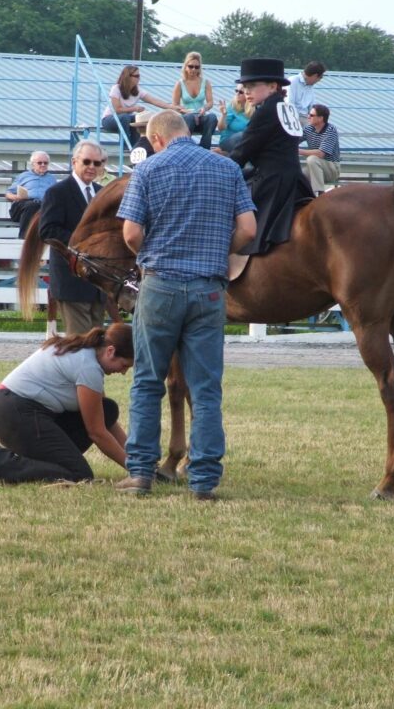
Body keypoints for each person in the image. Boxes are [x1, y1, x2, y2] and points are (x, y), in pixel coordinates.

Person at [115, 110, 256, 500]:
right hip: (209, 289)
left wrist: (152, 254)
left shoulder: (148, 170)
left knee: (147, 382)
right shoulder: (225, 169)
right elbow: (248, 230)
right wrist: (216, 252)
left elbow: (130, 234)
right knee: (206, 387)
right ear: (187, 132)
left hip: (160, 285)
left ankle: (140, 472)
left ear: (156, 138)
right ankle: (204, 479)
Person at [0, 324, 133, 484]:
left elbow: (103, 418)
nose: (124, 372)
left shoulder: (85, 353)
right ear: (110, 351)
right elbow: (97, 432)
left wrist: (136, 456)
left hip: (12, 408)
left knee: (108, 409)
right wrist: (135, 468)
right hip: (13, 412)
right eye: (124, 365)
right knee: (78, 473)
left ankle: (19, 461)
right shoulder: (88, 367)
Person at [229, 58, 313, 256]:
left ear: (273, 86)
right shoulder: (287, 107)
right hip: (294, 179)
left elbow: (242, 152)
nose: (246, 91)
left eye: (251, 86)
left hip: (271, 181)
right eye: (244, 86)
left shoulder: (266, 111)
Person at [39, 140, 108, 335]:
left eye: (97, 163)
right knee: (80, 343)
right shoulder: (57, 192)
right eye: (87, 162)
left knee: (96, 342)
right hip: (71, 280)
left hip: (98, 283)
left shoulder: (102, 193)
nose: (92, 167)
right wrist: (86, 245)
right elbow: (48, 231)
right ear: (74, 162)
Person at [100, 65, 179, 147]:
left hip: (125, 120)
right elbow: (117, 110)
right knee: (125, 117)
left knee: (138, 119)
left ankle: (137, 147)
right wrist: (135, 108)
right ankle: (125, 147)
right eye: (136, 76)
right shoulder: (116, 88)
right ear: (128, 77)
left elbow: (154, 100)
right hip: (109, 119)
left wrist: (172, 107)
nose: (139, 78)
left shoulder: (138, 90)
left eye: (139, 76)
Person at [6, 151, 58, 238]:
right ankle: (24, 238)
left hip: (42, 206)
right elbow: (8, 193)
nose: (43, 165)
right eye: (39, 163)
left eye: (45, 163)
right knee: (32, 205)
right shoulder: (24, 176)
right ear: (33, 164)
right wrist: (16, 197)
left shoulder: (51, 179)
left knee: (49, 209)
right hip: (23, 205)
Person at [171, 51, 217, 149]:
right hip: (187, 118)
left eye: (197, 67)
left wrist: (204, 108)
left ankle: (204, 148)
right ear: (186, 67)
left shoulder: (206, 82)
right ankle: (185, 147)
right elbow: (174, 105)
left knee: (212, 117)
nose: (193, 69)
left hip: (201, 116)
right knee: (190, 117)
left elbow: (210, 102)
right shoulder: (180, 84)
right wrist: (185, 110)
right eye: (191, 66)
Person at [299, 103, 341, 195]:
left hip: (332, 168)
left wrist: (299, 151)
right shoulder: (308, 129)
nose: (308, 117)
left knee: (312, 159)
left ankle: (320, 193)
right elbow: (293, 141)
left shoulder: (331, 130)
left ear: (321, 118)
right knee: (298, 176)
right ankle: (305, 198)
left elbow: (320, 154)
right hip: (315, 168)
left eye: (311, 115)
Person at [286, 60, 326, 126]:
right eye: (320, 78)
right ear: (315, 75)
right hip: (293, 118)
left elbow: (312, 106)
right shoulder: (292, 81)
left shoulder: (310, 86)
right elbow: (289, 103)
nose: (318, 81)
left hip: (306, 118)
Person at [215, 85, 252, 153]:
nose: (237, 94)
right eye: (236, 91)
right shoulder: (232, 106)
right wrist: (224, 115)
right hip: (227, 142)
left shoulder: (254, 109)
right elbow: (221, 128)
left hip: (244, 144)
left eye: (241, 92)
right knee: (242, 135)